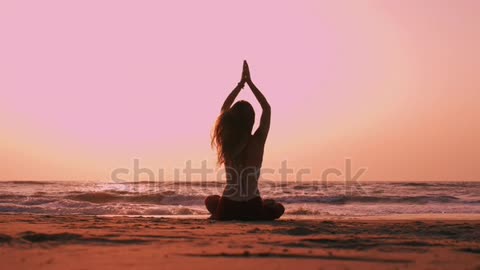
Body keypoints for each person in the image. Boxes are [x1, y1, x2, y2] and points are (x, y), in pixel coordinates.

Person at [205, 60, 285, 220]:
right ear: (252, 120)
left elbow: (224, 110)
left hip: (228, 206)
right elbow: (266, 108)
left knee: (210, 201)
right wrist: (250, 83)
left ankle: (217, 214)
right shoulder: (258, 140)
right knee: (278, 208)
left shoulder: (227, 141)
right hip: (252, 206)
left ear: (231, 121)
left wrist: (240, 85)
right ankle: (264, 207)